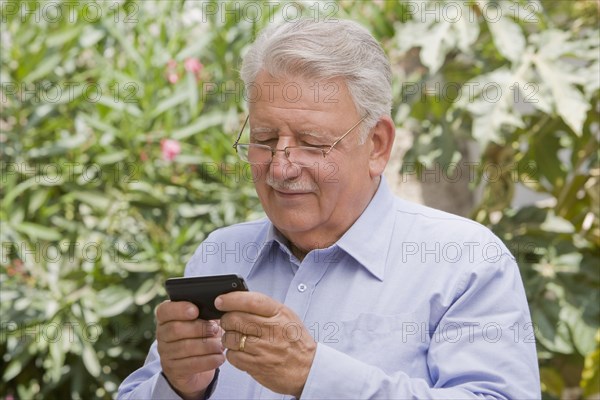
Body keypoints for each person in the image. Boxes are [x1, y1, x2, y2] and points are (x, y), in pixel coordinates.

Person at [118, 18, 540, 399]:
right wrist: (179, 387)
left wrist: (315, 376)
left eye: (313, 143)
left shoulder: (464, 261)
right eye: (264, 139)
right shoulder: (220, 253)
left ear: (377, 146)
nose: (281, 168)